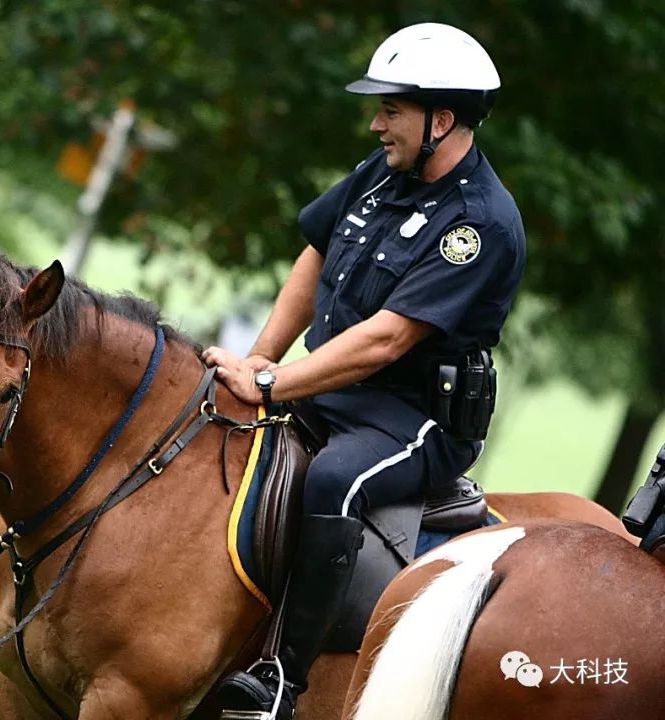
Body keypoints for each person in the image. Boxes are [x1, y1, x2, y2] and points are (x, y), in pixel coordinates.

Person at [203, 23, 526, 718]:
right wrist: (262, 355)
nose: (376, 123)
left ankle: (280, 682)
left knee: (332, 480)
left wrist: (272, 385)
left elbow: (387, 340)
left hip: (412, 420)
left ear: (441, 120)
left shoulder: (482, 225)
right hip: (328, 387)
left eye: (391, 110)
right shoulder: (382, 172)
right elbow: (315, 256)